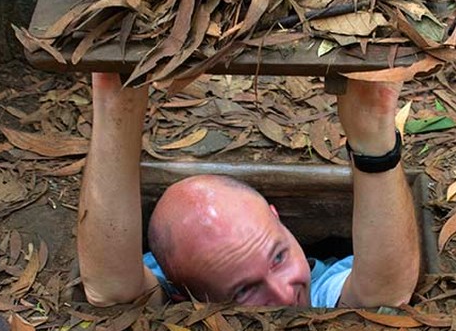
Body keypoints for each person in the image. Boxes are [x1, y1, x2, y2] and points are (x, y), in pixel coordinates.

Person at [77, 72, 421, 308]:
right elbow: (113, 289)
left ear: (277, 217)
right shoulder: (175, 285)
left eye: (279, 256)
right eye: (243, 291)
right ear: (186, 297)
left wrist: (374, 134)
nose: (285, 295)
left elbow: (384, 295)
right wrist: (115, 108)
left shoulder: (321, 284)